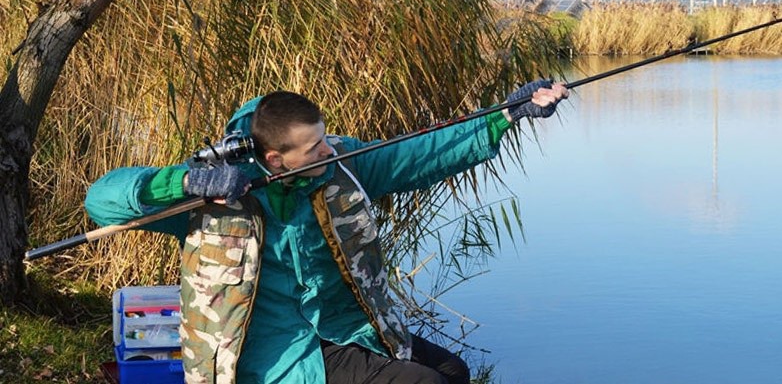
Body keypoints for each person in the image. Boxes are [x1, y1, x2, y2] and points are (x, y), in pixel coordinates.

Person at [85, 80, 568, 384]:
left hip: (344, 328)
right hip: (272, 352)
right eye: (314, 146)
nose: (327, 151)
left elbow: (417, 154)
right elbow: (101, 199)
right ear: (275, 159)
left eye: (325, 138)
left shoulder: (338, 166)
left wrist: (504, 116)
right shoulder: (210, 193)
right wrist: (185, 182)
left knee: (451, 372)